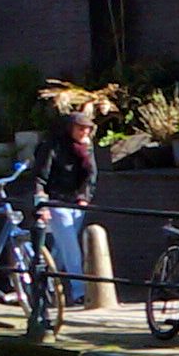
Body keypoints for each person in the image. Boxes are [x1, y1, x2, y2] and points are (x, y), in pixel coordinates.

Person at [23, 84, 105, 318]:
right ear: (70, 128)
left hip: (74, 202)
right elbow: (40, 175)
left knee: (61, 247)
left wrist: (84, 198)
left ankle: (44, 283)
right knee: (71, 246)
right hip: (55, 202)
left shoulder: (85, 149)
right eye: (80, 129)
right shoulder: (52, 147)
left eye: (88, 130)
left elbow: (91, 176)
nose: (85, 133)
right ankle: (79, 291)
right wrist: (43, 202)